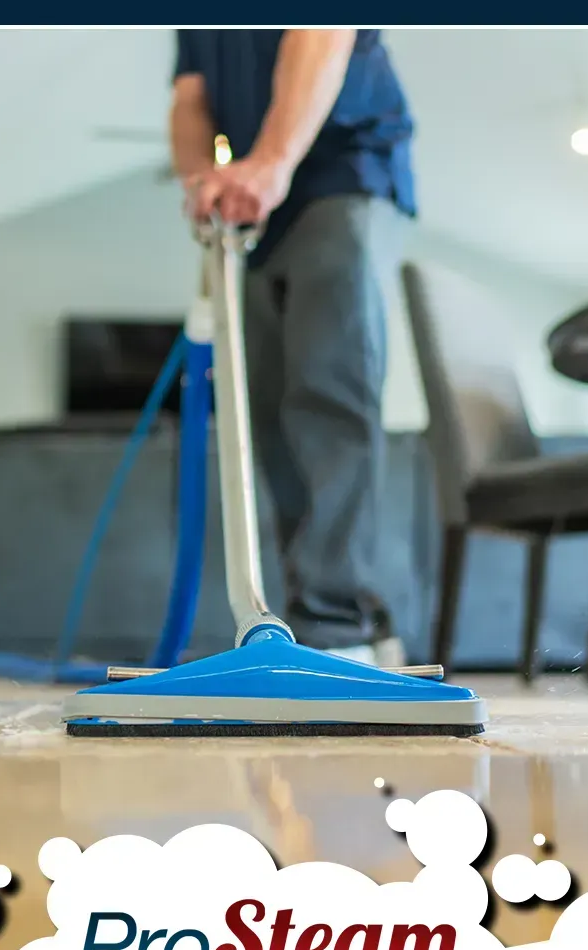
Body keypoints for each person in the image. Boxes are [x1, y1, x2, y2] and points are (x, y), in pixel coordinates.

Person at [169, 29, 416, 665]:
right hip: (254, 200)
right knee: (269, 414)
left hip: (337, 167)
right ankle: (307, 621)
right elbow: (191, 97)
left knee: (329, 391)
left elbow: (322, 30)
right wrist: (200, 179)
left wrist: (275, 159)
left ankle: (345, 628)